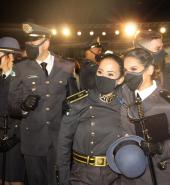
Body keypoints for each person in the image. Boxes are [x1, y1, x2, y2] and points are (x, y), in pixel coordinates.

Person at [8, 23, 75, 185]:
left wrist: (71, 108)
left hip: (59, 140)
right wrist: (23, 107)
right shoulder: (20, 68)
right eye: (28, 44)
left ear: (46, 43)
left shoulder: (66, 66)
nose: (30, 47)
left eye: (34, 44)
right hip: (33, 141)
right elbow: (12, 107)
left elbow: (75, 99)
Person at [120, 48, 170, 185]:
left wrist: (160, 147)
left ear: (149, 69)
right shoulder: (124, 94)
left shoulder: (169, 103)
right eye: (125, 70)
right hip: (130, 176)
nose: (128, 74)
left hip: (160, 175)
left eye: (133, 69)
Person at [57, 54, 125, 185]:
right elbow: (63, 144)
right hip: (83, 174)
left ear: (120, 79)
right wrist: (63, 177)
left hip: (116, 174)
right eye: (100, 72)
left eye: (110, 74)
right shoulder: (79, 102)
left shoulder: (125, 104)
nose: (103, 77)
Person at [0, 37, 25, 185]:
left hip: (15, 138)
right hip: (0, 133)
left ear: (10, 56)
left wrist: (15, 138)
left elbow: (27, 112)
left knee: (14, 178)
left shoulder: (21, 80)